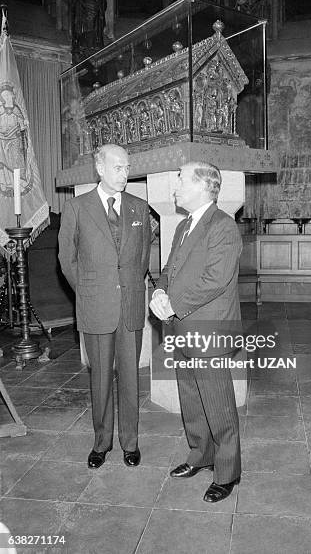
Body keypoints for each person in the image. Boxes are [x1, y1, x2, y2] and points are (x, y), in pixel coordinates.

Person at [149, 161, 243, 503]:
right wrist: (159, 292)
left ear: (204, 186)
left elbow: (215, 280)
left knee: (218, 405)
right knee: (191, 398)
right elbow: (169, 270)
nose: (175, 187)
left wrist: (172, 303)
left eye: (181, 180)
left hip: (210, 330)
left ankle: (228, 473)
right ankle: (200, 455)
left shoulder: (223, 226)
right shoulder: (184, 225)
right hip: (182, 327)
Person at [58, 144, 151, 469]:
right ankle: (101, 443)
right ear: (100, 169)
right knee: (100, 379)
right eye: (117, 167)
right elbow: (66, 260)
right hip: (96, 305)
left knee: (130, 378)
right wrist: (88, 291)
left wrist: (129, 287)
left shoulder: (139, 208)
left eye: (127, 167)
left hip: (130, 306)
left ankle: (130, 442)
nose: (124, 173)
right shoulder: (77, 207)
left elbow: (142, 257)